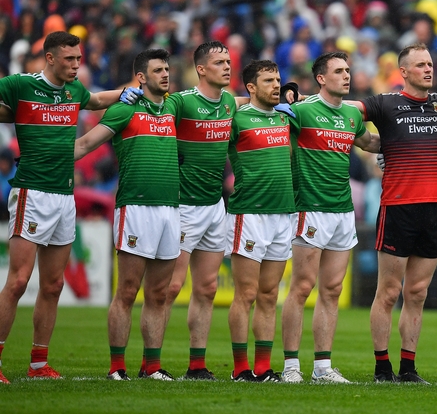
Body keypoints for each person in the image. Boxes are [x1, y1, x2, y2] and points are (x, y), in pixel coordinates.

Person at [0, 31, 142, 384]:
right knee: (18, 282)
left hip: (65, 197)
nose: (77, 64)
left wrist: (125, 93)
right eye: (69, 59)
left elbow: (94, 101)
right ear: (49, 58)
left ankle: (38, 365)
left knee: (53, 285)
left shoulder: (73, 90)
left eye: (79, 58)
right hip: (31, 193)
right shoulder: (20, 85)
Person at [347, 43, 437, 383]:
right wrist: (369, 142)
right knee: (387, 292)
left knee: (417, 293)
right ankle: (382, 366)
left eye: (430, 63)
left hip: (432, 209)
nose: (428, 69)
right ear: (404, 72)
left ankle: (408, 368)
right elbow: (349, 110)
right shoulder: (385, 103)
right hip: (398, 207)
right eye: (420, 65)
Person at [75, 48, 178, 381]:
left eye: (167, 69)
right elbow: (84, 145)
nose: (165, 74)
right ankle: (117, 368)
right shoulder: (124, 109)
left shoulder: (175, 107)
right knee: (128, 290)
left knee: (159, 294)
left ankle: (152, 367)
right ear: (141, 77)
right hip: (135, 207)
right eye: (158, 70)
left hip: (170, 209)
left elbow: (221, 101)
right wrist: (43, 157)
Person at [281, 52, 380, 383]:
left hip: (342, 213)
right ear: (321, 78)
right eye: (339, 71)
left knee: (332, 289)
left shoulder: (352, 115)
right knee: (301, 287)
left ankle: (322, 367)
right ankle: (290, 366)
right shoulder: (303, 110)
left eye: (348, 70)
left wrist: (409, 135)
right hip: (310, 208)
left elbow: (371, 142)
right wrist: (284, 97)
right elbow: (271, 119)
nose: (347, 75)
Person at [162, 41, 238, 380]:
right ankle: (152, 364)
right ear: (201, 69)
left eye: (229, 61)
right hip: (184, 206)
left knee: (207, 288)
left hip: (214, 205)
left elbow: (258, 105)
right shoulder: (181, 102)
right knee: (171, 287)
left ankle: (197, 365)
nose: (227, 66)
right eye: (220, 62)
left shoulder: (230, 103)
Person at [226, 59, 294, 382]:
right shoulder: (237, 119)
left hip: (283, 214)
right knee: (246, 294)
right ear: (251, 87)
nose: (276, 85)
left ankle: (263, 367)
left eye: (278, 80)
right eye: (268, 81)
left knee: (270, 295)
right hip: (249, 214)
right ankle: (241, 369)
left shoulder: (285, 117)